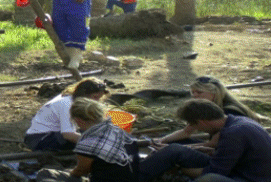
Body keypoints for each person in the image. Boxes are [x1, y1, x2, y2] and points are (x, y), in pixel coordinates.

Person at [139, 99, 271, 182]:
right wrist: (202, 150)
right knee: (176, 150)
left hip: (249, 178)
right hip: (239, 168)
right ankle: (134, 174)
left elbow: (214, 172)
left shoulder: (233, 134)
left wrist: (178, 168)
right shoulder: (236, 121)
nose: (198, 130)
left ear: (202, 121)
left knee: (208, 179)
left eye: (196, 126)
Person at [155, 76, 262, 149]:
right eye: (193, 92)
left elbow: (212, 145)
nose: (195, 96)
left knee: (175, 147)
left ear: (214, 93)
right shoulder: (204, 108)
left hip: (229, 153)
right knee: (168, 138)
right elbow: (186, 131)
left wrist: (172, 149)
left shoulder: (231, 111)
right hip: (214, 147)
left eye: (199, 92)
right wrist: (162, 140)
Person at [24, 77, 110, 151]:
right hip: (40, 140)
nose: (97, 101)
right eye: (95, 97)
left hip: (52, 135)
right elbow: (68, 135)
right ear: (84, 94)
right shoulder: (67, 104)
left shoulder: (74, 100)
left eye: (99, 98)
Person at [69, 98, 135, 182]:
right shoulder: (115, 129)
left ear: (78, 120)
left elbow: (80, 171)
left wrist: (70, 172)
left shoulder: (87, 144)